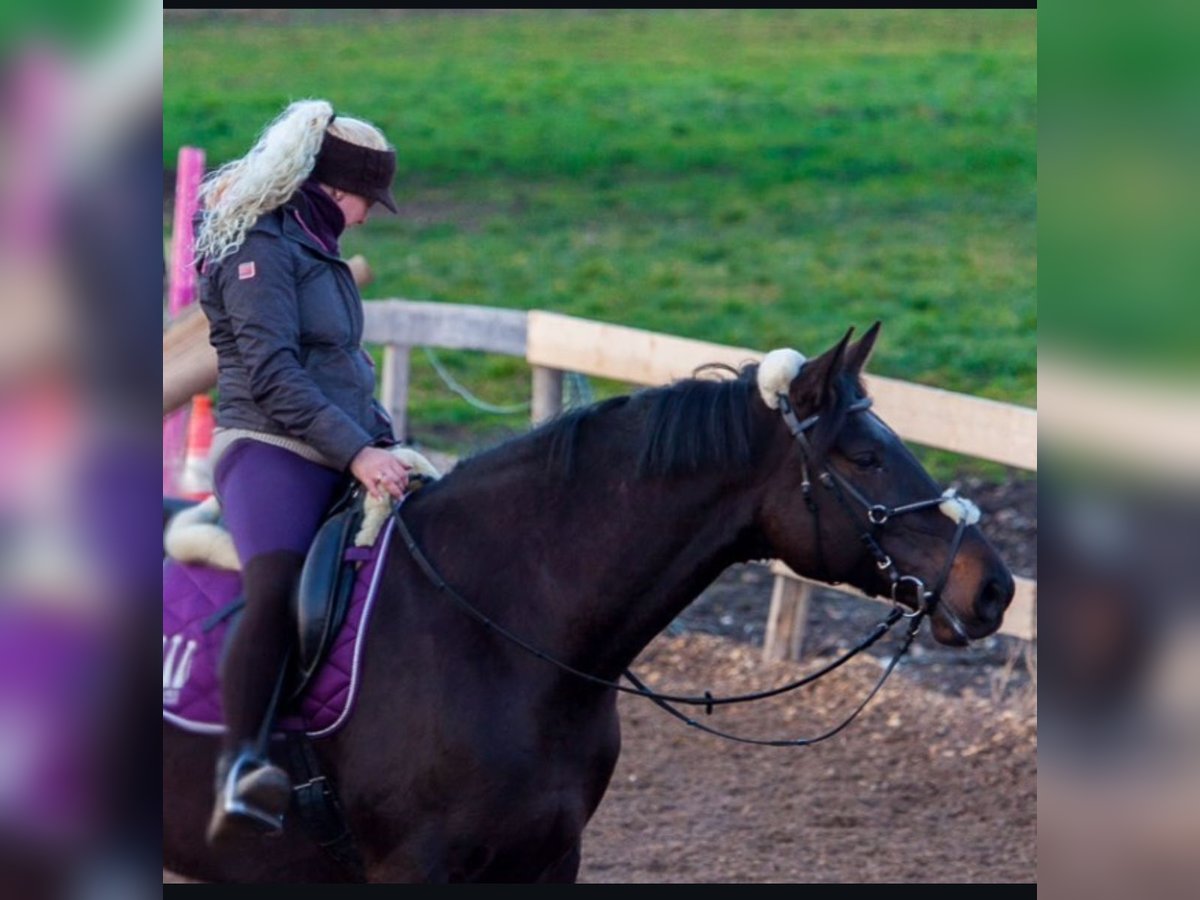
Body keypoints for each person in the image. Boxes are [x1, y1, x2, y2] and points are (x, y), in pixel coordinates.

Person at [192, 99, 412, 843]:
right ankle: (241, 764)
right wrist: (358, 452)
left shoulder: (320, 249)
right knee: (278, 583)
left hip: (346, 438)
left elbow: (345, 366)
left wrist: (385, 440)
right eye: (363, 200)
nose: (367, 217)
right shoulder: (260, 248)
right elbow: (276, 375)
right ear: (330, 186)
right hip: (269, 445)